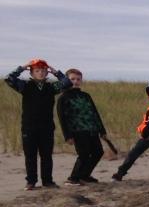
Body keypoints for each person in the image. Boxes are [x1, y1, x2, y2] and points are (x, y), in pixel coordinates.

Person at [5, 59, 71, 189]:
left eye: (43, 70)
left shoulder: (51, 87)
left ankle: (47, 181)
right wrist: (23, 67)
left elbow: (67, 82)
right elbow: (8, 78)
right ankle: (31, 181)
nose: (40, 73)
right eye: (37, 71)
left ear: (47, 73)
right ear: (32, 73)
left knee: (46, 155)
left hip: (46, 127)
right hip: (29, 128)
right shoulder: (25, 86)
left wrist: (54, 71)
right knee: (30, 156)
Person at [57, 68, 107, 185]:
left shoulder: (86, 96)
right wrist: (67, 135)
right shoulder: (63, 98)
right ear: (66, 81)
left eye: (78, 79)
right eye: (72, 79)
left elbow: (95, 113)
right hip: (77, 131)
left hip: (92, 129)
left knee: (98, 152)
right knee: (83, 154)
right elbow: (62, 118)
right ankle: (73, 178)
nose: (75, 81)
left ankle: (84, 175)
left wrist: (102, 130)